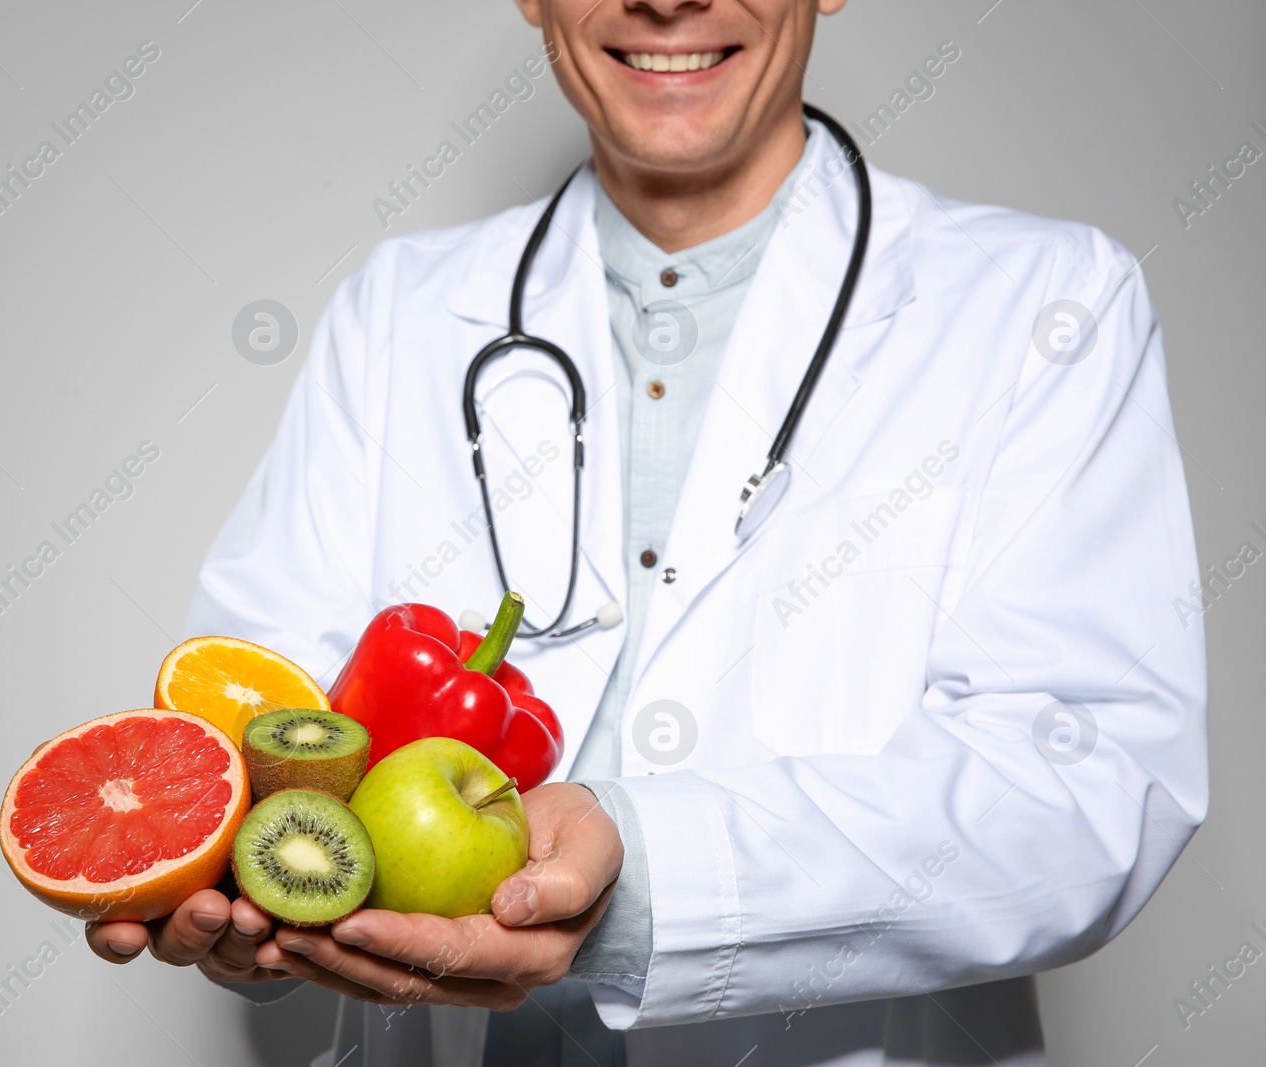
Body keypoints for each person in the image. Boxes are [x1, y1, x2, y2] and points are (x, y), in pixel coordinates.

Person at [85, 0, 1208, 1063]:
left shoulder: (1048, 304)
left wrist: (647, 875)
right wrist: (244, 898)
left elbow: (1088, 792)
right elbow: (257, 715)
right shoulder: (400, 310)